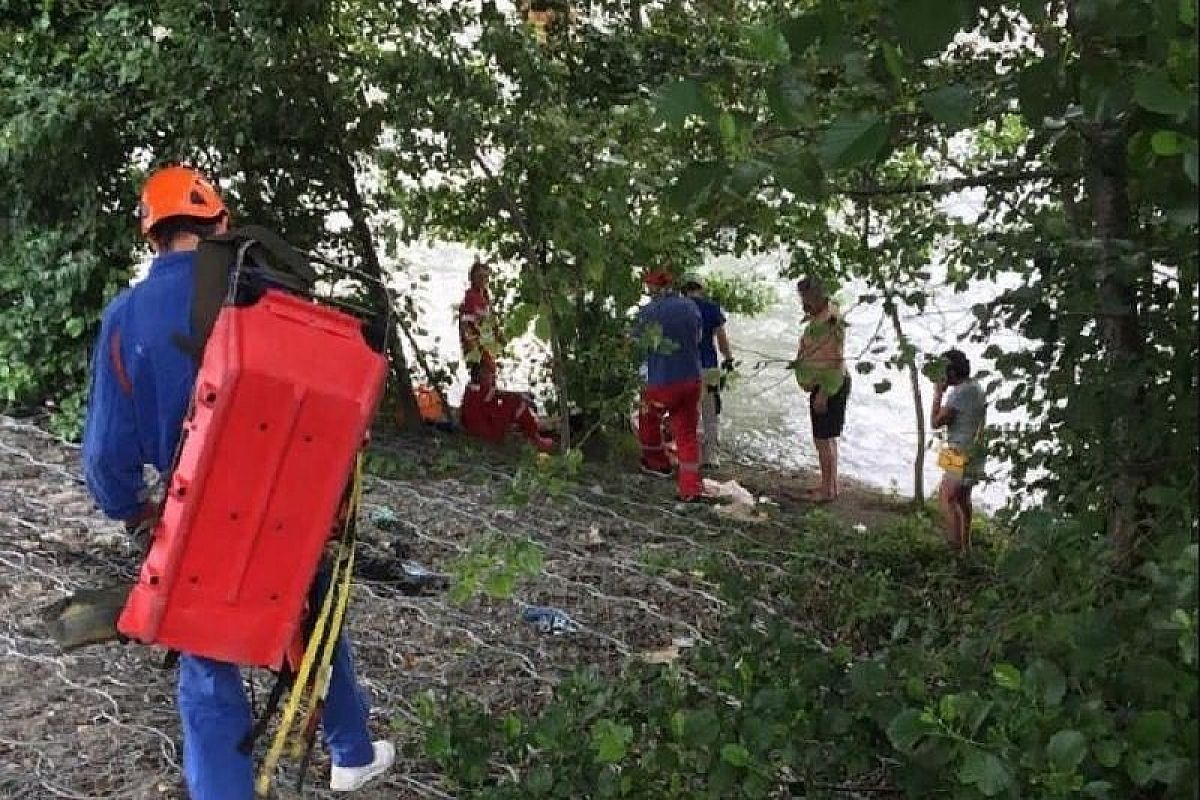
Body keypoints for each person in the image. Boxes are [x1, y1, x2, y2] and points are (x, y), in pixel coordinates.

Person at [81, 165, 394, 798]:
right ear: (221, 223)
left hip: (196, 510)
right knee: (314, 608)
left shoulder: (127, 317)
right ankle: (352, 752)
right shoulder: (271, 295)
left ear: (153, 238)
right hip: (289, 498)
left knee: (206, 659)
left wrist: (137, 513)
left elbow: (107, 459)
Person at [458, 259, 554, 452]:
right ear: (472, 279)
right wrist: (476, 352)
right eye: (480, 277)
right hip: (480, 353)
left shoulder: (484, 298)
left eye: (486, 277)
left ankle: (527, 432)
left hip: (488, 351)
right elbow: (466, 328)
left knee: (490, 389)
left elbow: (490, 324)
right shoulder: (471, 300)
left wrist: (499, 337)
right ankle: (532, 436)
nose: (484, 280)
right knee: (488, 389)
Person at [635, 269, 705, 502]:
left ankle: (657, 463)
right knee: (686, 433)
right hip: (690, 378)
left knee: (648, 419)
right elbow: (698, 337)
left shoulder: (647, 313)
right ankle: (690, 487)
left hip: (661, 381)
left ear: (652, 288)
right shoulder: (690, 306)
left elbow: (639, 344)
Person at [792, 276, 850, 503]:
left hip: (829, 384)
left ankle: (827, 490)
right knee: (827, 439)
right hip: (825, 383)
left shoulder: (830, 321)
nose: (802, 302)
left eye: (804, 298)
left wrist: (824, 393)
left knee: (823, 440)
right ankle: (830, 485)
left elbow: (836, 358)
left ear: (814, 296)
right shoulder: (825, 313)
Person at [930, 348, 987, 553]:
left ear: (951, 373)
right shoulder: (977, 387)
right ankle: (965, 545)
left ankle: (955, 547)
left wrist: (938, 393)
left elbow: (935, 422)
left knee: (946, 497)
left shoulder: (959, 393)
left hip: (958, 449)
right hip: (976, 448)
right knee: (963, 498)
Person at [679, 273, 734, 469]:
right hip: (708, 367)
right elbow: (721, 339)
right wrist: (728, 359)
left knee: (687, 412)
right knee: (710, 412)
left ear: (683, 289)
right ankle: (711, 456)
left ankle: (687, 453)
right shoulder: (712, 308)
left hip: (684, 367)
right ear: (701, 289)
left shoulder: (679, 310)